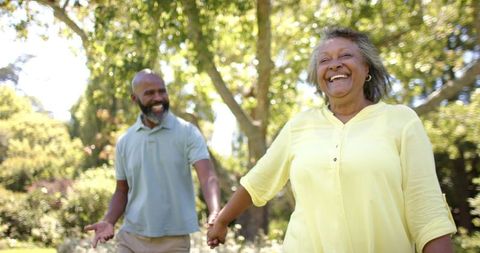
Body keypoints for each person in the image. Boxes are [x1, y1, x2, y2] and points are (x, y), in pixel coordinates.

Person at [207, 27, 457, 253]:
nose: (334, 65)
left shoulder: (402, 121)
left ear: (367, 68)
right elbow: (257, 182)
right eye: (324, 60)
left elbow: (426, 210)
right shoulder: (300, 125)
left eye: (345, 56)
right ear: (318, 76)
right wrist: (222, 220)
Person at [84, 69, 221, 253]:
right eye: (149, 93)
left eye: (162, 91)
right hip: (130, 238)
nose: (158, 97)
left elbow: (208, 177)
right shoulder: (125, 141)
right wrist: (109, 221)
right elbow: (122, 190)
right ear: (134, 99)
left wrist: (215, 212)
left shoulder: (188, 132)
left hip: (173, 242)